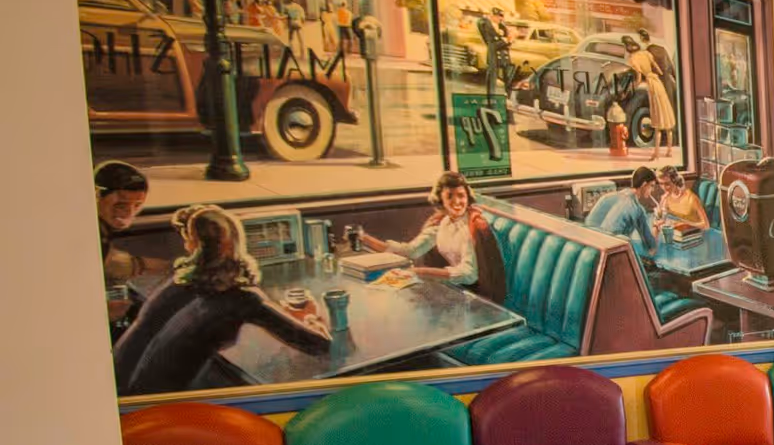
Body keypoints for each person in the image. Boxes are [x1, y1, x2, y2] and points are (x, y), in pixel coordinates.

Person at [112, 205, 331, 395]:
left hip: (118, 387)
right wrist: (311, 318)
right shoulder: (244, 298)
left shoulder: (178, 281)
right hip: (158, 406)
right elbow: (319, 345)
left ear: (192, 245)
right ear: (238, 241)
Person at [358, 171, 506, 303]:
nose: (457, 202)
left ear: (468, 197)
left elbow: (468, 275)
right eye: (450, 196)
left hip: (477, 297)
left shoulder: (472, 227)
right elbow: (411, 250)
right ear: (441, 201)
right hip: (453, 290)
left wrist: (419, 272)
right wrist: (365, 239)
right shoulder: (441, 222)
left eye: (461, 195)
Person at [96, 161, 159, 339]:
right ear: (97, 195)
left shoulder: (101, 229)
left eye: (137, 205)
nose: (128, 213)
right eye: (121, 205)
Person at [585, 166, 661, 259]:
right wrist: (656, 226)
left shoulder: (607, 197)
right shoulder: (637, 209)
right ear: (644, 184)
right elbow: (651, 249)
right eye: (652, 186)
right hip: (611, 256)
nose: (652, 190)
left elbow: (589, 225)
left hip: (590, 252)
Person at [622, 31, 678, 151]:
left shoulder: (642, 55)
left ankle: (658, 150)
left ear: (642, 40)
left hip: (652, 84)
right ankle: (670, 147)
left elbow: (638, 76)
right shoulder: (661, 49)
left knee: (657, 116)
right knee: (668, 115)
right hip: (666, 83)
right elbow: (671, 69)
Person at [653, 166, 708, 236]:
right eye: (661, 184)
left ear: (675, 181)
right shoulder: (665, 198)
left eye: (667, 184)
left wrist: (684, 223)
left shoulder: (691, 198)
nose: (664, 188)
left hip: (693, 236)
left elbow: (706, 225)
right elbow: (662, 219)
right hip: (677, 235)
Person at [476, 7, 513, 98]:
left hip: (504, 54)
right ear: (492, 16)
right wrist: (505, 40)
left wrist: (509, 41)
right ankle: (490, 96)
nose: (500, 18)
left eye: (501, 16)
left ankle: (508, 94)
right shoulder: (486, 26)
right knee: (492, 75)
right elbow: (491, 44)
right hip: (493, 54)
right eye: (497, 16)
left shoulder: (502, 27)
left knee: (508, 74)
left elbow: (507, 39)